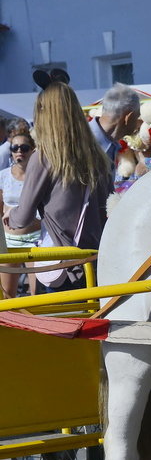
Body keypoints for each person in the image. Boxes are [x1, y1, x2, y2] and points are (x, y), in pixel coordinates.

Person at [3, 81, 113, 292]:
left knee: (63, 322)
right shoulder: (98, 157)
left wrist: (10, 215)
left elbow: (23, 217)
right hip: (97, 261)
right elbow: (107, 207)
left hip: (63, 264)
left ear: (44, 114)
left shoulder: (44, 157)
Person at [0, 128, 40, 298]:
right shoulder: (3, 176)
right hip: (9, 242)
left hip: (35, 240)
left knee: (37, 295)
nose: (19, 152)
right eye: (14, 148)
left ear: (33, 150)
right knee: (8, 294)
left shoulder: (40, 175)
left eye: (24, 148)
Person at [90, 83, 141, 179]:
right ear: (128, 118)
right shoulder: (81, 143)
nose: (138, 124)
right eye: (137, 117)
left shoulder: (110, 144)